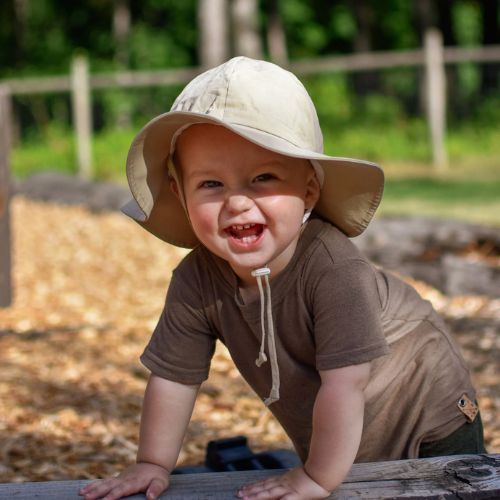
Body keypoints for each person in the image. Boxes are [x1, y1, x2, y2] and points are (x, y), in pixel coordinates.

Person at [80, 56, 485, 500]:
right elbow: (174, 378)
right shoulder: (197, 280)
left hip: (422, 401)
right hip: (337, 424)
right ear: (180, 192)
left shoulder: (334, 270)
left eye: (262, 178)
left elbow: (346, 384)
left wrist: (315, 477)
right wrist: (153, 463)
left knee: (451, 487)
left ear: (309, 188)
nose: (236, 203)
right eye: (210, 184)